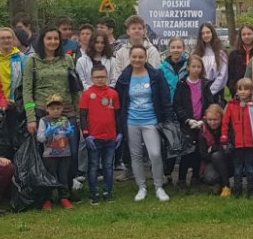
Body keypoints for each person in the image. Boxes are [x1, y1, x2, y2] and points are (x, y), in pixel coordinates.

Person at [116, 44, 173, 202]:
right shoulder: (124, 78)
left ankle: (158, 186)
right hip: (131, 122)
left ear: (146, 58)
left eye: (141, 57)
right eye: (134, 56)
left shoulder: (156, 75)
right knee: (136, 156)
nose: (137, 59)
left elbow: (165, 98)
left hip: (151, 121)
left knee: (155, 154)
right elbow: (119, 102)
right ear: (130, 57)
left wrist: (166, 119)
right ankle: (141, 187)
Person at [24, 28, 81, 149]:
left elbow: (75, 89)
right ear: (42, 40)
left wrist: (78, 115)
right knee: (47, 153)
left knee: (72, 151)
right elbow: (27, 91)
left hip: (67, 111)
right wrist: (31, 118)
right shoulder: (32, 61)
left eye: (56, 38)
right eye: (49, 38)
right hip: (43, 112)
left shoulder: (68, 60)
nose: (53, 41)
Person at [173, 54, 215, 191]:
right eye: (193, 66)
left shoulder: (205, 84)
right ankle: (181, 179)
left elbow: (210, 104)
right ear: (188, 68)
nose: (196, 69)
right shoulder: (182, 84)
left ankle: (197, 176)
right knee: (186, 152)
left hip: (201, 124)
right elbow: (177, 105)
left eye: (198, 67)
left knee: (199, 151)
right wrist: (187, 120)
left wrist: (204, 120)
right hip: (187, 124)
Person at [80, 64, 121, 205]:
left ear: (107, 77)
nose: (100, 80)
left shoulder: (113, 94)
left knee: (108, 166)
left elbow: (117, 114)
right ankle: (94, 193)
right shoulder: (87, 95)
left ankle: (108, 192)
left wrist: (120, 132)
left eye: (102, 77)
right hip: (94, 137)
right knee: (93, 166)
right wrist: (86, 134)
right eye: (97, 77)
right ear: (92, 78)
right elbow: (83, 116)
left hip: (110, 137)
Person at [36, 94, 76, 210]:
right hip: (49, 155)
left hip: (64, 153)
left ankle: (64, 197)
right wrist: (47, 134)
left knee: (63, 176)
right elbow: (40, 138)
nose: (55, 111)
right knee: (50, 177)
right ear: (47, 109)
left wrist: (70, 133)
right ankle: (48, 199)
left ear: (62, 109)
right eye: (52, 109)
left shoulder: (65, 120)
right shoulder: (44, 120)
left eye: (58, 108)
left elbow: (69, 135)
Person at [222, 77, 253, 198]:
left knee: (250, 169)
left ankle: (251, 191)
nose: (243, 92)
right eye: (240, 89)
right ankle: (237, 191)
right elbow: (225, 123)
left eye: (246, 89)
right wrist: (224, 138)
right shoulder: (231, 105)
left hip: (250, 143)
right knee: (237, 169)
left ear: (251, 91)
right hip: (236, 144)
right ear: (236, 91)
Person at [0, 27, 27, 156]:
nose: (6, 40)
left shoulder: (23, 59)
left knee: (15, 139)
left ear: (14, 40)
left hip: (15, 105)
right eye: (3, 38)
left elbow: (26, 84)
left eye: (9, 38)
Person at [193, 104, 232, 196]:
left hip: (229, 160)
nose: (212, 123)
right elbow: (203, 155)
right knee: (210, 176)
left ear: (221, 118)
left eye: (215, 120)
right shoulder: (203, 132)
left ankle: (226, 185)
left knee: (217, 156)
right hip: (211, 161)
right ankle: (221, 183)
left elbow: (229, 149)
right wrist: (218, 149)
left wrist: (213, 149)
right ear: (205, 119)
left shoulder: (227, 128)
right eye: (209, 120)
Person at [194, 22, 229, 101]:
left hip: (216, 93)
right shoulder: (196, 53)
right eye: (203, 33)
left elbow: (223, 76)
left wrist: (210, 91)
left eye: (208, 32)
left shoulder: (221, 53)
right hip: (199, 91)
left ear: (212, 33)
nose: (205, 35)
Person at [227, 23, 253, 95]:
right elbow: (230, 75)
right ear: (240, 36)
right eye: (243, 34)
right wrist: (235, 90)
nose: (246, 37)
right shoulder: (234, 54)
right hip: (239, 93)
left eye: (249, 34)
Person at [159, 36, 189, 101]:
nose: (176, 50)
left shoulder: (189, 67)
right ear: (169, 49)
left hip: (185, 106)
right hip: (168, 106)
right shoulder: (162, 68)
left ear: (183, 48)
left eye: (179, 47)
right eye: (173, 47)